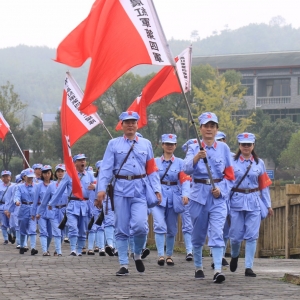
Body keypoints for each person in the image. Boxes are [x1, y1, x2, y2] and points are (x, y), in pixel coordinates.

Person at [96, 111, 162, 276]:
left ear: (137, 124)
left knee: (141, 226)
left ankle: (137, 253)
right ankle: (123, 264)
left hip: (140, 189)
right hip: (120, 189)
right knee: (121, 228)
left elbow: (152, 169)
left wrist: (157, 189)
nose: (130, 125)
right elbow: (106, 168)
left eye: (133, 122)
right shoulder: (113, 144)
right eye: (127, 122)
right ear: (122, 125)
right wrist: (101, 189)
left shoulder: (146, 144)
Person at [183, 112, 235, 283]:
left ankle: (218, 270)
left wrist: (222, 190)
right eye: (206, 126)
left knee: (217, 232)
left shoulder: (224, 149)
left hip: (217, 196)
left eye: (212, 126)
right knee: (198, 234)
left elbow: (230, 175)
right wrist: (197, 157)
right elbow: (186, 169)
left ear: (217, 129)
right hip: (198, 196)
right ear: (201, 128)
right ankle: (198, 266)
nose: (209, 129)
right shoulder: (193, 146)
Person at [229, 132, 273, 277]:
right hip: (236, 200)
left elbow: (264, 186)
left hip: (254, 200)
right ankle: (235, 256)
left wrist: (268, 205)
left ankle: (249, 267)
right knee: (235, 236)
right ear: (239, 146)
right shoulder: (232, 161)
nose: (246, 147)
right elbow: (227, 183)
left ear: (253, 145)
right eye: (243, 144)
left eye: (249, 144)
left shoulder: (259, 163)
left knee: (252, 235)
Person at [152, 134, 190, 266]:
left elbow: (184, 180)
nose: (169, 146)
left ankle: (169, 255)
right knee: (159, 225)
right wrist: (156, 191)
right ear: (162, 145)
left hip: (174, 196)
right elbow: (152, 177)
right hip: (159, 196)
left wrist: (186, 194)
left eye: (172, 144)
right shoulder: (155, 161)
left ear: (175, 146)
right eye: (167, 143)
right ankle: (160, 255)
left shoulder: (180, 163)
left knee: (172, 228)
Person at [48, 154, 95, 256]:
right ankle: (73, 250)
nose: (83, 162)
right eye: (80, 160)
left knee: (83, 230)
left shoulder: (90, 175)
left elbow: (97, 187)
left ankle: (79, 251)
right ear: (75, 163)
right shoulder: (69, 175)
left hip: (85, 205)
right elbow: (60, 190)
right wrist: (51, 203)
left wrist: (95, 187)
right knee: (73, 227)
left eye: (84, 160)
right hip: (72, 204)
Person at [38, 164, 68, 256]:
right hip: (53, 211)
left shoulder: (68, 185)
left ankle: (57, 250)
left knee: (62, 232)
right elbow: (44, 201)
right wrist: (39, 212)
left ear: (65, 172)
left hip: (64, 211)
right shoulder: (51, 186)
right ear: (55, 173)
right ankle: (59, 252)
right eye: (58, 171)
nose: (60, 173)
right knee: (57, 231)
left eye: (62, 171)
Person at [14, 168, 38, 255]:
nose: (30, 179)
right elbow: (17, 196)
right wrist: (17, 201)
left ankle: (33, 248)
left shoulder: (36, 186)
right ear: (24, 177)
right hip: (23, 208)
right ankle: (22, 246)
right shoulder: (19, 187)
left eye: (32, 177)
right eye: (29, 177)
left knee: (32, 229)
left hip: (33, 208)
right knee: (22, 229)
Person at [32, 165, 54, 256]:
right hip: (41, 210)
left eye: (48, 173)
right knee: (43, 231)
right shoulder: (38, 186)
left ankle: (47, 248)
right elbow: (35, 200)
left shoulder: (55, 184)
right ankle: (44, 250)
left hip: (52, 210)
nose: (46, 175)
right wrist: (34, 213)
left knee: (50, 233)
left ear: (51, 174)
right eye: (45, 173)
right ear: (42, 174)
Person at [0, 170, 14, 244]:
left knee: (11, 223)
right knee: (3, 224)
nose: (6, 178)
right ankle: (6, 239)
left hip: (10, 207)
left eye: (7, 176)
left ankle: (10, 233)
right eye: (4, 176)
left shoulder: (14, 186)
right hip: (2, 207)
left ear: (10, 177)